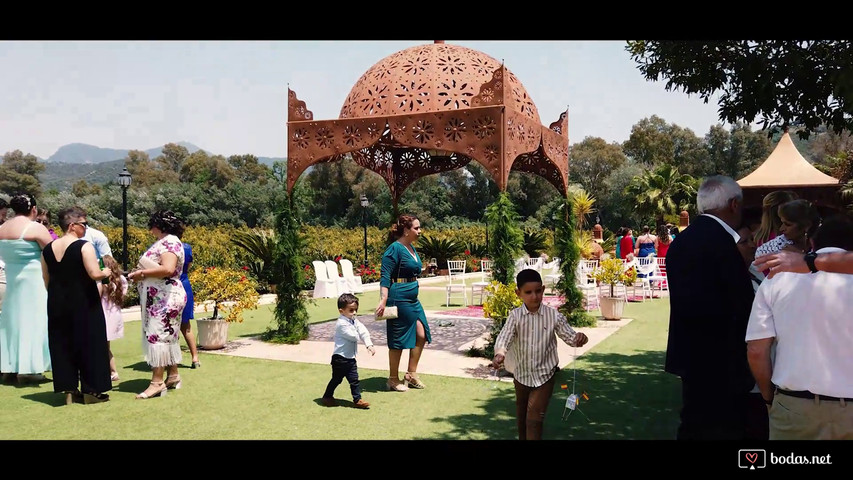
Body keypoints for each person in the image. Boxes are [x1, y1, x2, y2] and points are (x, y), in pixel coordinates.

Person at [664, 175, 756, 440]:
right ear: (733, 205)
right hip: (724, 358)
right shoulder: (725, 244)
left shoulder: (681, 242)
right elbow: (740, 304)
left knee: (693, 424)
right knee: (726, 427)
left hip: (690, 354)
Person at [746, 215, 853, 439]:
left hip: (794, 405)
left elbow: (757, 350)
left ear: (812, 244)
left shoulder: (777, 278)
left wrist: (768, 398)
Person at [491, 269, 589, 440]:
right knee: (522, 417)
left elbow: (571, 337)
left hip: (545, 376)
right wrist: (500, 353)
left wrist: (581, 338)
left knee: (534, 419)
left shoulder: (553, 316)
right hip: (521, 375)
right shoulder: (515, 317)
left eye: (538, 291)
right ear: (518, 293)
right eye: (528, 292)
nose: (534, 296)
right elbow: (504, 338)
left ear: (543, 289)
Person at [41, 206, 113, 404]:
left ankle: (69, 390)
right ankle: (92, 390)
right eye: (84, 224)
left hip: (56, 301)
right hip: (84, 299)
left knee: (62, 343)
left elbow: (46, 278)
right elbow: (94, 273)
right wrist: (106, 272)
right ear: (72, 225)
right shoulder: (84, 245)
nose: (85, 228)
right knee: (91, 342)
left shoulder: (47, 249)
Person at [126, 210, 187, 399]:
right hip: (163, 296)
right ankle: (173, 375)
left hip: (164, 298)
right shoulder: (170, 241)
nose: (150, 230)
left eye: (152, 226)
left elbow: (168, 269)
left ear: (158, 225)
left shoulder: (169, 242)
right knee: (167, 335)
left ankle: (157, 382)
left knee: (158, 335)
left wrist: (142, 274)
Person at [0, 194, 53, 383]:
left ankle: (9, 366)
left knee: (12, 322)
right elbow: (54, 253)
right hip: (35, 281)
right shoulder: (36, 228)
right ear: (34, 210)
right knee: (35, 322)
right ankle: (29, 369)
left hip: (12, 281)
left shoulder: (2, 228)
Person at [375, 214, 431, 392]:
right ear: (406, 230)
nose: (419, 231)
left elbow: (409, 270)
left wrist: (424, 270)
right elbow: (385, 276)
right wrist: (383, 298)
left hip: (412, 299)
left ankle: (411, 374)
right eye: (416, 228)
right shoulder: (394, 249)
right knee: (398, 339)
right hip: (399, 297)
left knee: (421, 334)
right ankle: (392, 379)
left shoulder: (411, 248)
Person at [734, 225, 769, 440]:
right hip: (744, 371)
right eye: (744, 242)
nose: (752, 245)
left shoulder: (761, 272)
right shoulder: (729, 281)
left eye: (752, 239)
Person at [321, 293, 375, 409]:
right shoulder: (341, 324)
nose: (354, 313)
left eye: (355, 310)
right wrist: (358, 328)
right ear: (341, 311)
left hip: (350, 358)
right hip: (339, 359)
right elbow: (354, 336)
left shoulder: (354, 320)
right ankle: (327, 396)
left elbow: (363, 331)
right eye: (351, 310)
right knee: (336, 380)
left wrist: (369, 344)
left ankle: (357, 400)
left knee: (354, 380)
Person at [754, 199, 820, 258]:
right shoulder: (772, 248)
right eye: (782, 223)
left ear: (807, 226)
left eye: (788, 224)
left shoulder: (824, 245)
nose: (781, 229)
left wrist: (801, 257)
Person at [98, 254, 127, 382]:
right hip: (115, 314)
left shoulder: (102, 282)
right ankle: (110, 371)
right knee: (105, 346)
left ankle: (112, 371)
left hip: (104, 314)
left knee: (103, 346)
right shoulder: (121, 280)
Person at [178, 234, 200, 369]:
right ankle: (195, 358)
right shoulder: (186, 248)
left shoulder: (163, 248)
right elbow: (189, 265)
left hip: (170, 286)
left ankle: (172, 360)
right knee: (186, 325)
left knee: (169, 327)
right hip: (185, 283)